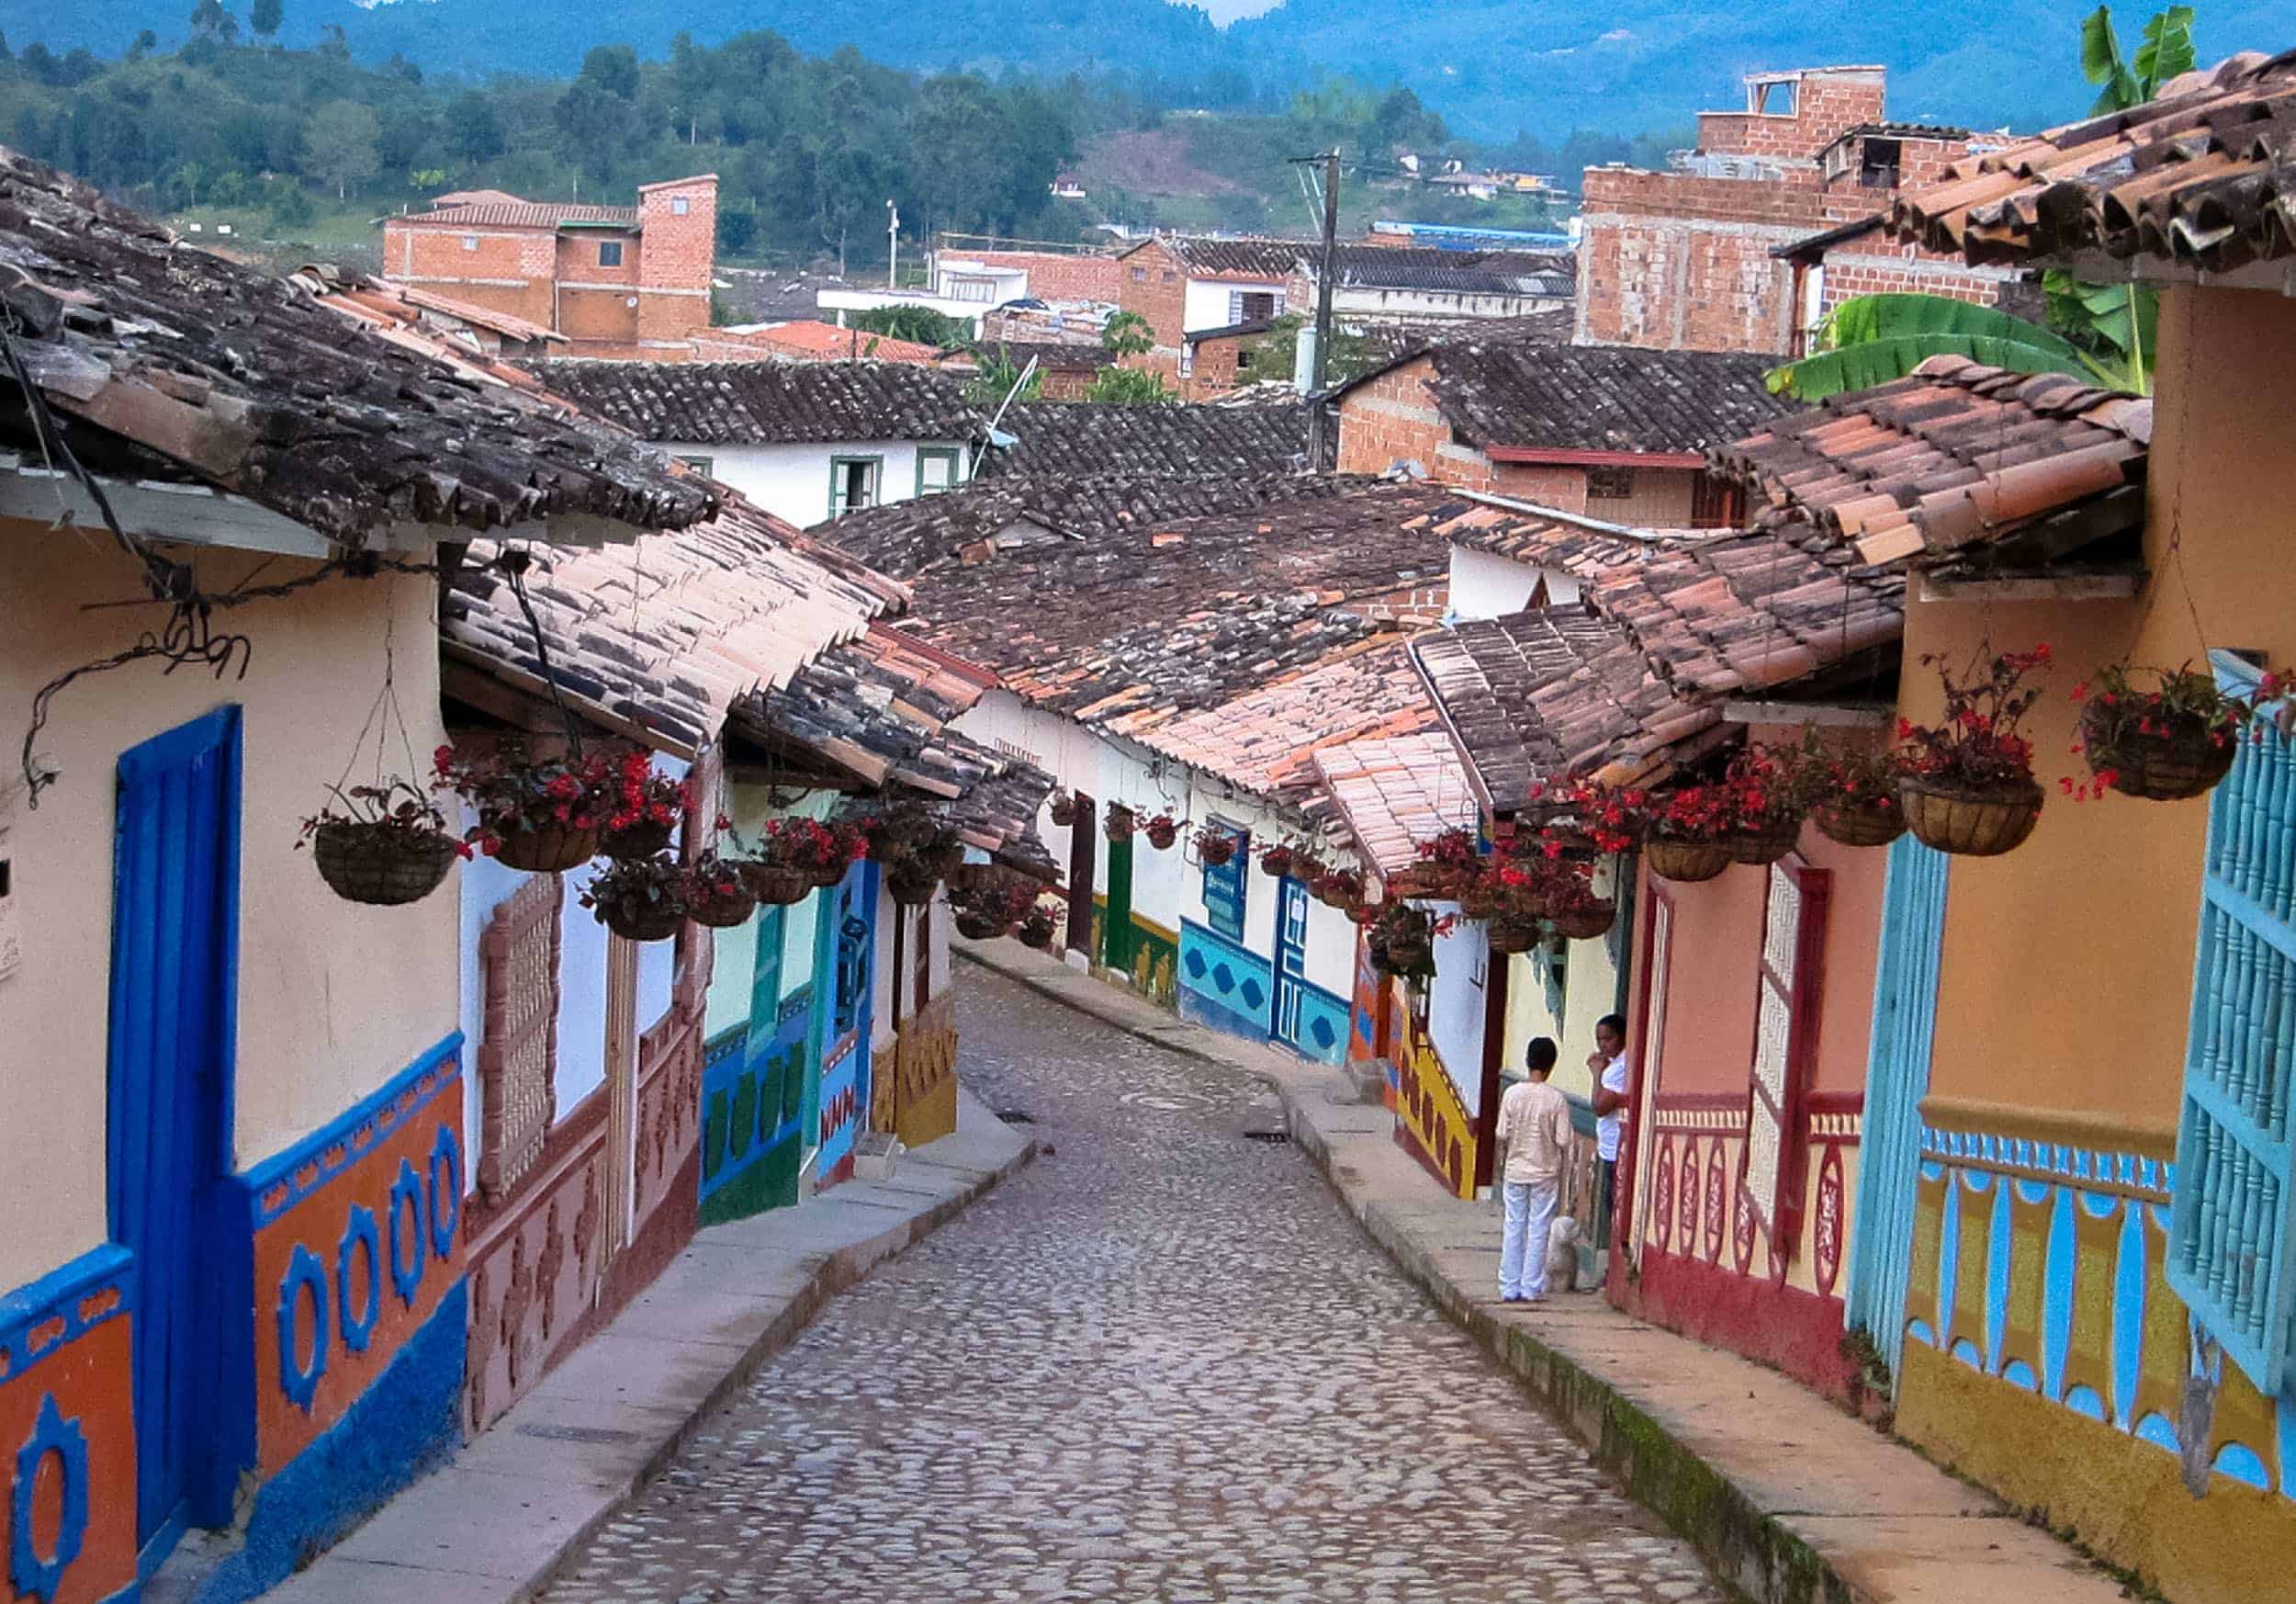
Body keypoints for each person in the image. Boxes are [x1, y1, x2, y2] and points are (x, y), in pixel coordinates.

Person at [1495, 1037, 1573, 1304]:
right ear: (1551, 1065)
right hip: (1544, 1172)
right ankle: (1530, 1288)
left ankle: (1508, 1287)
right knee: (1539, 1228)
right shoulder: (1556, 1100)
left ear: (1528, 1061)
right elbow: (1563, 1140)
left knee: (1514, 1225)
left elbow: (1501, 1133)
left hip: (1515, 1169)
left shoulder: (1512, 1094)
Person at [1588, 1012, 1632, 1249]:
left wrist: (1596, 1075)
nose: (1603, 1045)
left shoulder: (1617, 1069)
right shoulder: (1614, 1065)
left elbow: (1600, 1106)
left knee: (1613, 1208)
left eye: (1608, 1039)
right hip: (1609, 1148)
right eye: (1599, 1040)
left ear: (1623, 1037)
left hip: (1615, 1149)